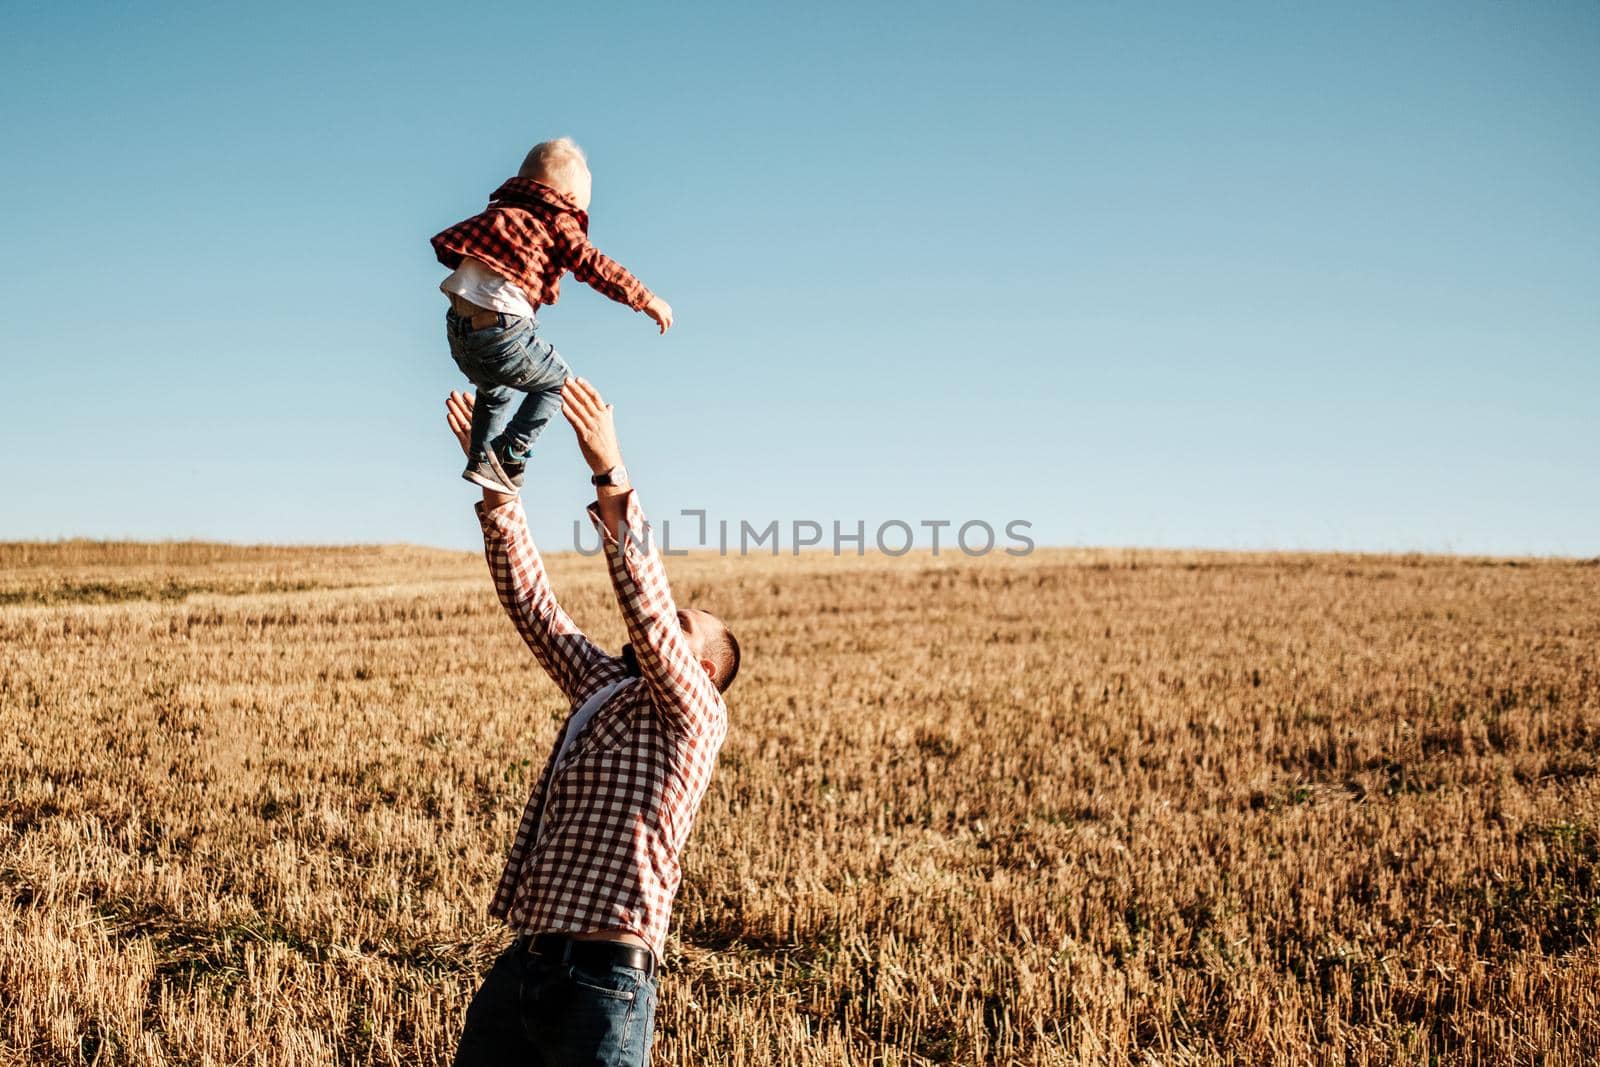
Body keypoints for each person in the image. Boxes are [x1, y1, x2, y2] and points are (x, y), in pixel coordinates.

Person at [448, 377, 739, 1066]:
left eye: (684, 626)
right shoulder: (605, 688)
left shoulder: (698, 717)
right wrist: (496, 486)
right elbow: (533, 604)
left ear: (704, 670)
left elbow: (644, 603)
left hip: (606, 981)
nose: (667, 622)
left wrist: (610, 471)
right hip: (529, 961)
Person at [432, 138, 674, 494]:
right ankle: (509, 451)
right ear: (570, 199)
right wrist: (645, 298)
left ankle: (482, 460)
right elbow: (593, 264)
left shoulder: (503, 215)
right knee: (557, 382)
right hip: (504, 330)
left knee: (493, 390)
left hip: (459, 334)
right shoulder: (558, 217)